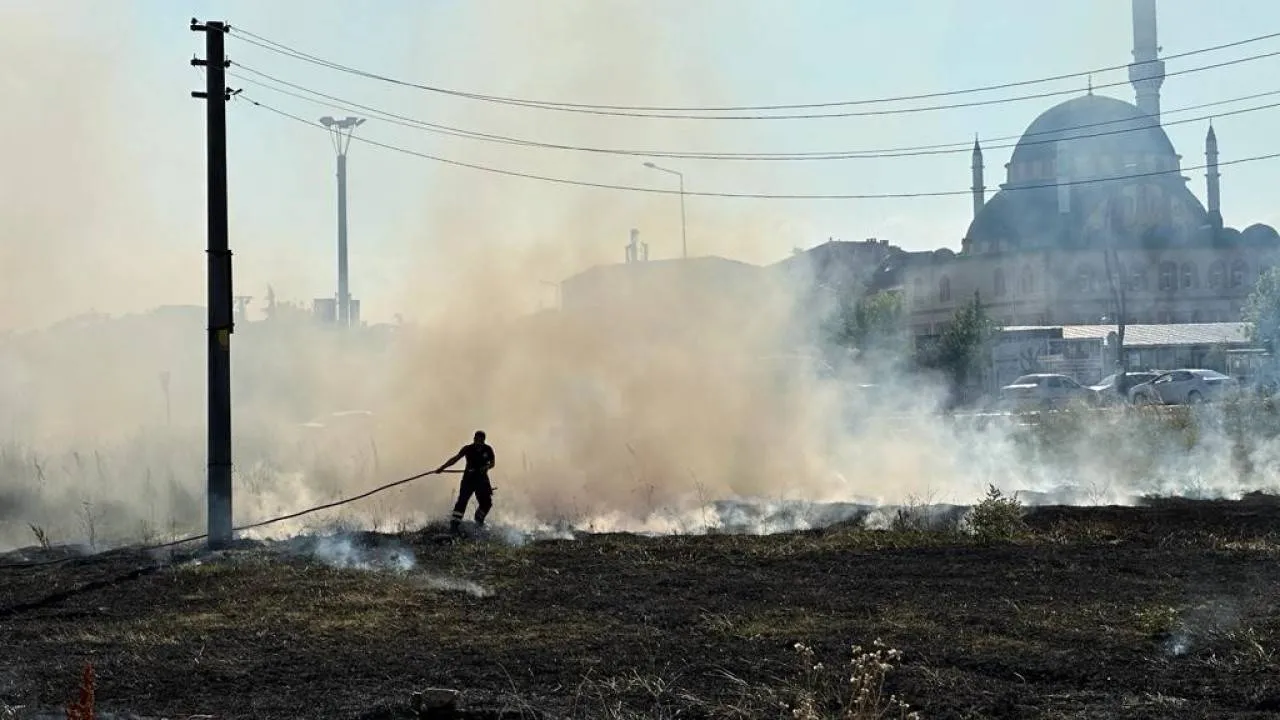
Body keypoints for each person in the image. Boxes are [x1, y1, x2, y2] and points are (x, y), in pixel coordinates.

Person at [434, 430, 496, 535]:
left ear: (483, 441)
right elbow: (455, 459)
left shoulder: (488, 449)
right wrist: (442, 468)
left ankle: (478, 521)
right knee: (462, 501)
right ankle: (454, 526)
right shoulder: (468, 449)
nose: (478, 443)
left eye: (480, 441)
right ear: (474, 439)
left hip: (482, 480)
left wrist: (486, 467)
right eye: (476, 440)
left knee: (487, 503)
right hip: (468, 480)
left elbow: (492, 463)